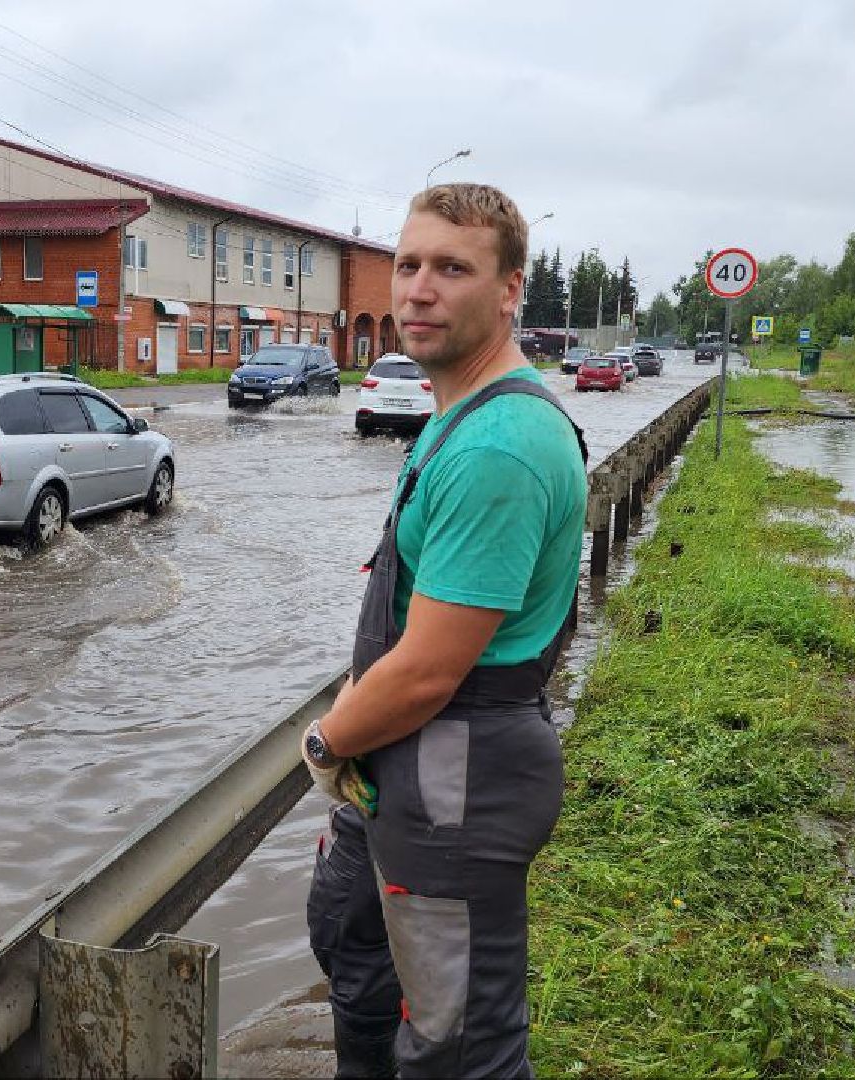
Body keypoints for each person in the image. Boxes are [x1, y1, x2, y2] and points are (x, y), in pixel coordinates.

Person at [303, 183, 588, 1078]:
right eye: (408, 263)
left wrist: (325, 741)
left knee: (456, 1043)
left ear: (509, 290)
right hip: (415, 770)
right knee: (365, 965)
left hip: (453, 778)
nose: (419, 289)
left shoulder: (495, 446)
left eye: (452, 268)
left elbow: (426, 672)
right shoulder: (457, 414)